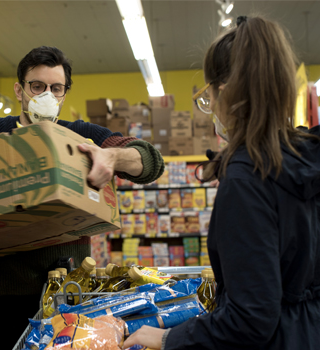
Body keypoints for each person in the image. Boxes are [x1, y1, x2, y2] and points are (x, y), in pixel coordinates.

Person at [0, 46, 165, 349]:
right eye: (37, 86)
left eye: (55, 88)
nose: (46, 95)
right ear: (19, 90)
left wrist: (111, 156)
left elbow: (149, 161)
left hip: (69, 300)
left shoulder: (83, 137)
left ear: (64, 94)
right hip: (2, 303)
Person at [123, 15, 320, 350]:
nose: (210, 105)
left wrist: (170, 337)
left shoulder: (246, 179)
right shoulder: (306, 158)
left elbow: (251, 318)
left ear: (226, 94)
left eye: (208, 95)